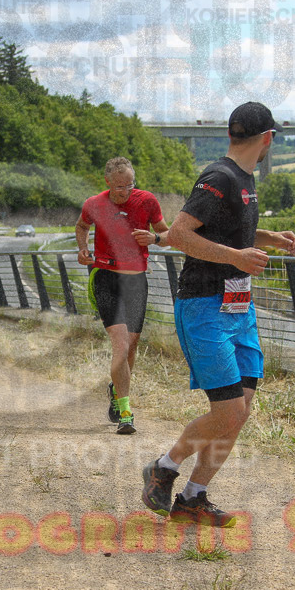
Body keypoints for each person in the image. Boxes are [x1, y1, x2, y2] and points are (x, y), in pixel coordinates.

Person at [141, 102, 295, 526]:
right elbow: (178, 234)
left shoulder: (243, 180)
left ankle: (194, 498)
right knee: (228, 411)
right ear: (268, 138)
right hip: (205, 304)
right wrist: (238, 256)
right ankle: (163, 468)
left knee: (240, 409)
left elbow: (229, 231)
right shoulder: (219, 177)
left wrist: (271, 238)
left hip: (239, 307)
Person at [75, 157, 169, 435]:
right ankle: (126, 412)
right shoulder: (94, 203)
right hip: (106, 278)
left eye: (129, 185)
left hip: (136, 281)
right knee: (121, 344)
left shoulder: (147, 201)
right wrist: (83, 250)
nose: (124, 191)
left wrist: (155, 239)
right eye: (118, 186)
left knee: (133, 344)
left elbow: (167, 232)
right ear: (107, 182)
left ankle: (117, 390)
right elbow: (82, 226)